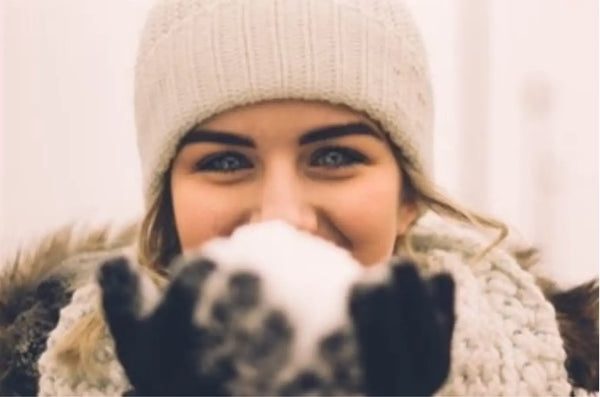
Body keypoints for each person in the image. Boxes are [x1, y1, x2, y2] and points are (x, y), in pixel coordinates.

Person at [0, 0, 597, 395]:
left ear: (406, 195)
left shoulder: (574, 369)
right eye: (226, 161)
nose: (282, 215)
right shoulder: (25, 375)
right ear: (169, 200)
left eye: (334, 157)